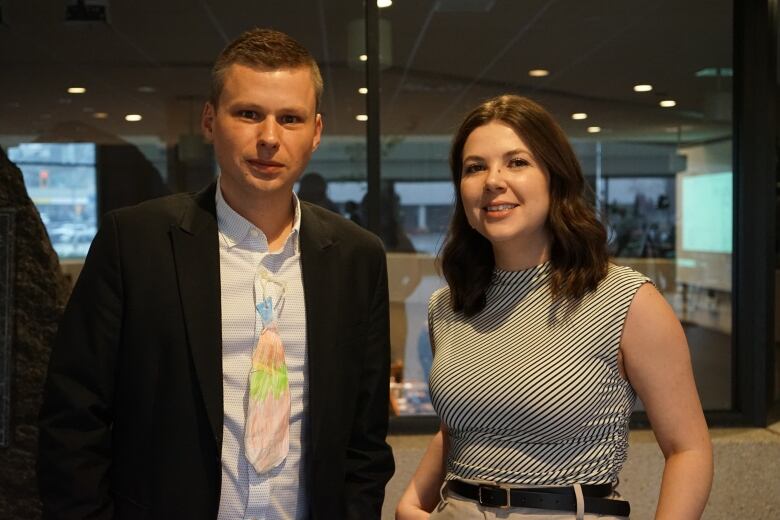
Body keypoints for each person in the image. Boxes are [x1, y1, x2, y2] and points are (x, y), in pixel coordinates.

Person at [38, 28, 394, 519]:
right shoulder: (136, 241)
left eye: (289, 119)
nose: (269, 138)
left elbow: (365, 437)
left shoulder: (357, 258)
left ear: (315, 132)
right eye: (248, 114)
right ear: (210, 120)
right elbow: (73, 418)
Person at [396, 95, 712, 519]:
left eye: (517, 162)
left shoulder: (624, 299)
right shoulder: (449, 305)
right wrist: (412, 502)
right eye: (475, 168)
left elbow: (688, 449)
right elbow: (462, 424)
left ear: (555, 177)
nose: (493, 180)